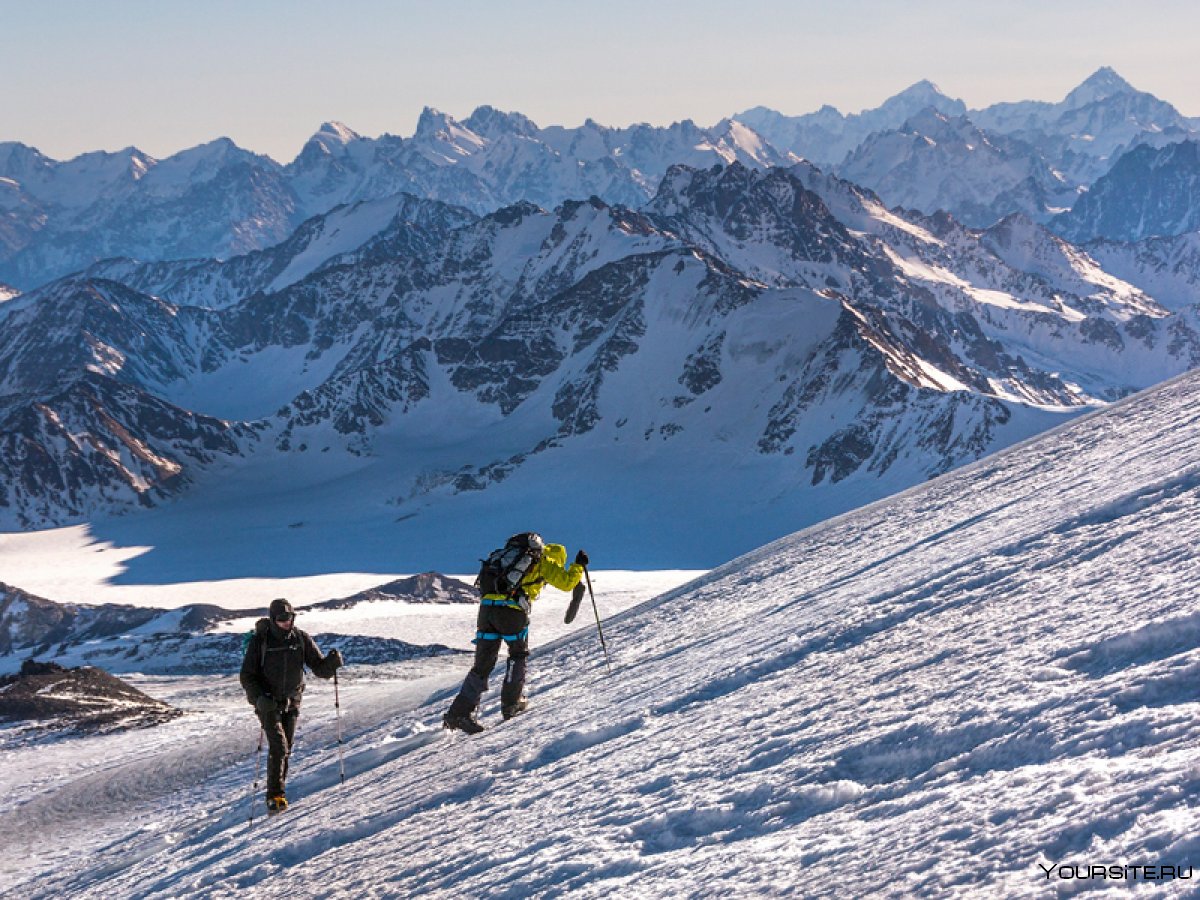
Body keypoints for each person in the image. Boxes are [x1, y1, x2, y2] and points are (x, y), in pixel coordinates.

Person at [443, 532, 586, 734]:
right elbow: (567, 583)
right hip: (511, 611)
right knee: (517, 655)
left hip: (486, 611)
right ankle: (511, 704)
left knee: (482, 665)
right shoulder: (542, 559)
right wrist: (578, 565)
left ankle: (458, 713)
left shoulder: (504, 558)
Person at [240, 598, 343, 812]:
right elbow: (247, 676)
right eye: (282, 619)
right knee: (279, 746)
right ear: (273, 619)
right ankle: (275, 797)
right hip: (268, 703)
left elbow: (319, 668)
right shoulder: (260, 641)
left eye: (290, 618)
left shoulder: (300, 638)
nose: (287, 622)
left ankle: (278, 793)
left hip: (292, 701)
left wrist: (331, 664)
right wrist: (260, 698)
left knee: (286, 748)